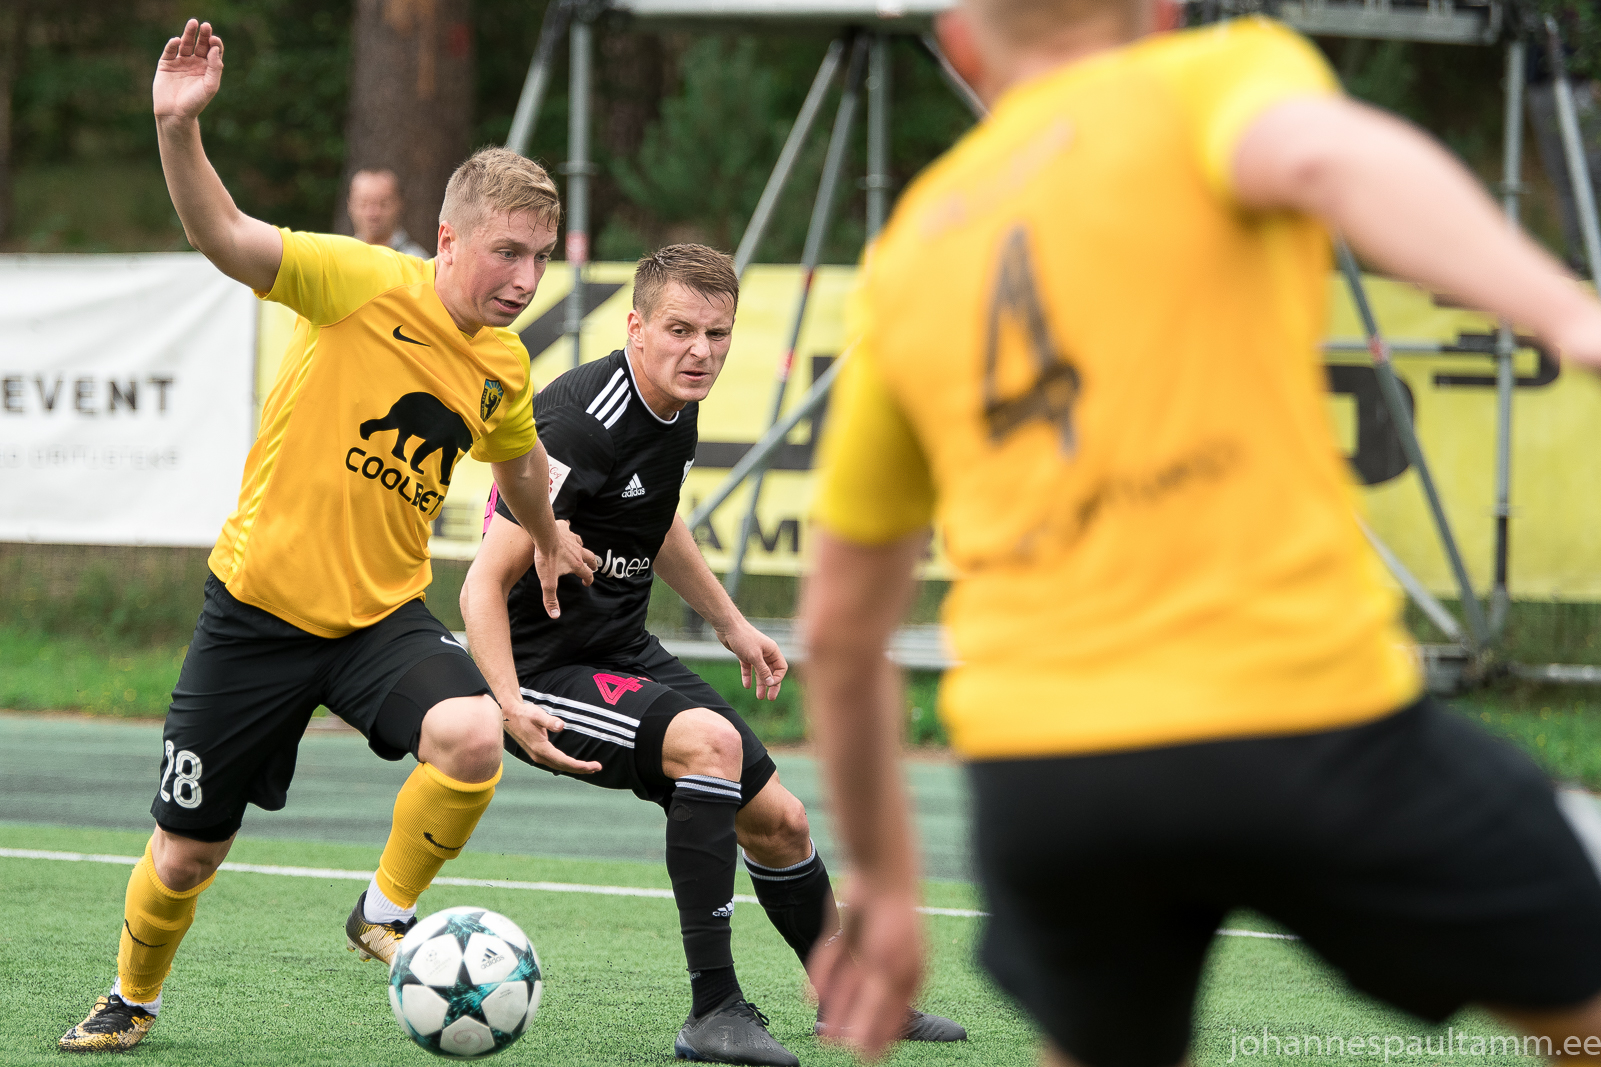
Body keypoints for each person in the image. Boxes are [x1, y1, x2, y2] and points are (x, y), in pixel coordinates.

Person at [800, 1, 1601, 1065]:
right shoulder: (1208, 79)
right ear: (1161, 10)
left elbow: (838, 632)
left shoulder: (910, 253)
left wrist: (882, 873)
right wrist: (1564, 309)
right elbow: (1322, 156)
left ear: (958, 41)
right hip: (1297, 718)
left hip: (1050, 776)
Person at [58, 19, 596, 1053]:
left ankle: (381, 911)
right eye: (507, 252)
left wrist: (545, 532)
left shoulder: (503, 362)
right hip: (254, 614)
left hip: (377, 621)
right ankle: (131, 995)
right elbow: (223, 234)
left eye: (538, 256)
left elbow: (518, 457)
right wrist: (177, 128)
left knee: (472, 732)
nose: (526, 278)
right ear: (448, 241)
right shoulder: (356, 280)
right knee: (185, 855)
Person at [458, 244, 965, 1066]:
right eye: (679, 330)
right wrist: (512, 704)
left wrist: (729, 621)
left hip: (619, 649)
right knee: (710, 744)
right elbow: (481, 585)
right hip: (542, 670)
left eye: (717, 334)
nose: (700, 351)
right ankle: (713, 1009)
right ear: (635, 326)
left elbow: (655, 517)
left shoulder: (674, 406)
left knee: (780, 820)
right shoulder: (579, 424)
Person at [348, 167, 431, 258]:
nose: (373, 214)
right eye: (363, 204)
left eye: (383, 204)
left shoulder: (416, 261)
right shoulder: (342, 258)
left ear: (399, 204)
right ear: (350, 205)